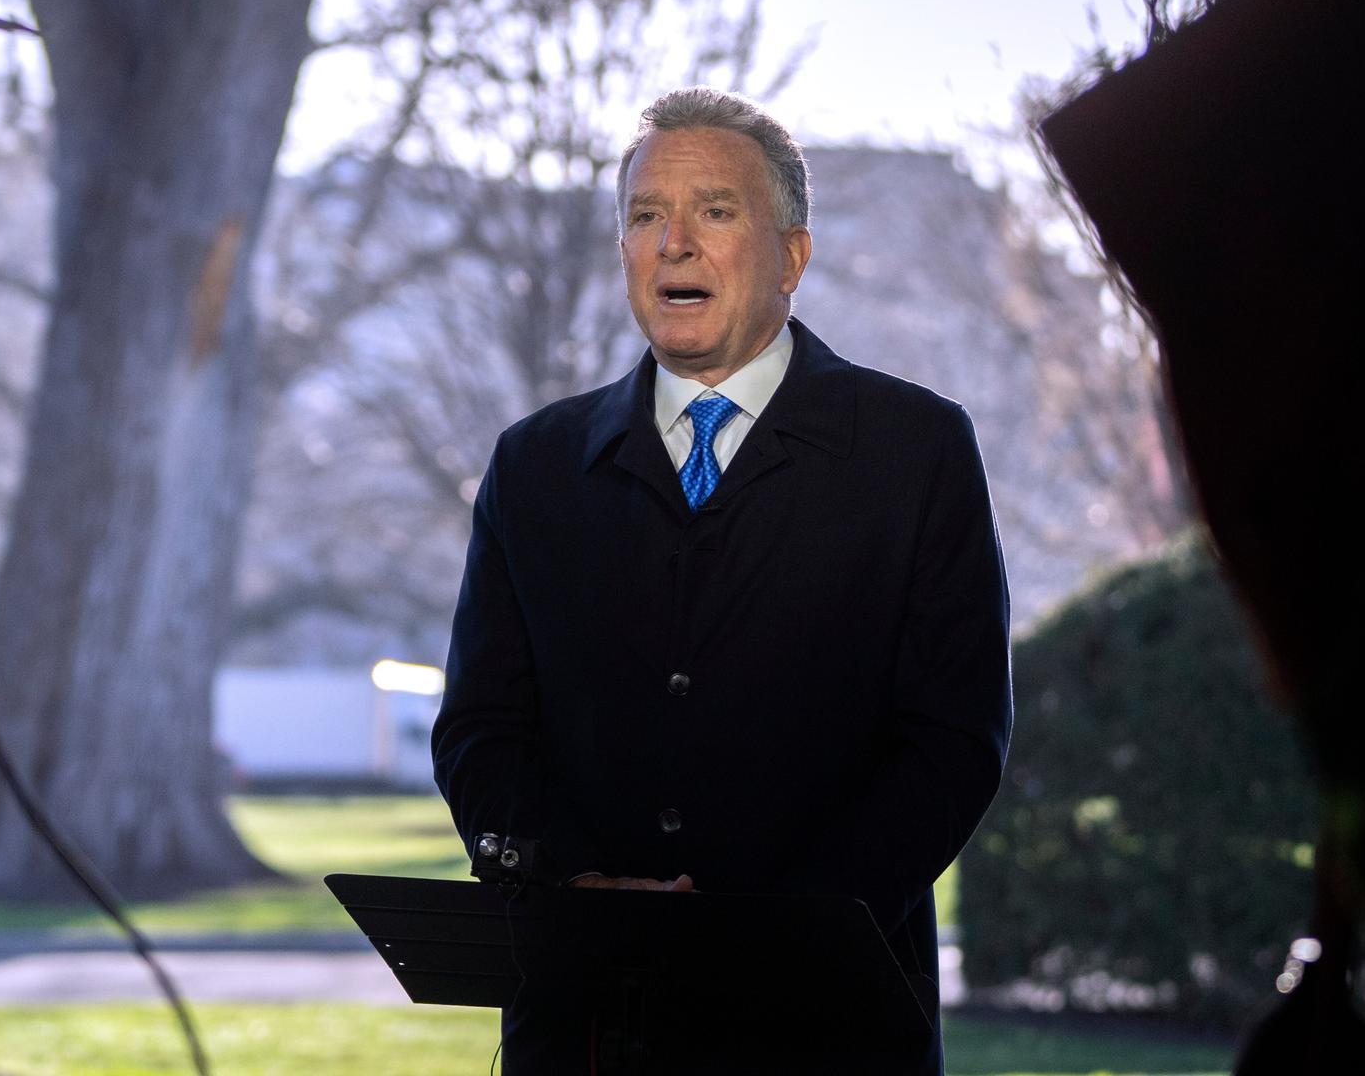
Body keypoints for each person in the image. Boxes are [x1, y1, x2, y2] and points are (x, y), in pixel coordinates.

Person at [430, 87, 1013, 1074]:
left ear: (791, 254)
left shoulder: (915, 452)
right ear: (623, 253)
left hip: (827, 1029)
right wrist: (580, 883)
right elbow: (481, 730)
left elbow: (953, 743)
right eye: (646, 215)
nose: (674, 243)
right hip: (584, 1036)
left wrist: (775, 925)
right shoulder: (532, 465)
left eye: (715, 211)